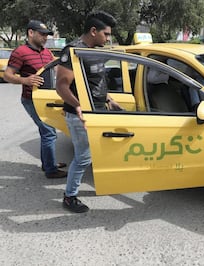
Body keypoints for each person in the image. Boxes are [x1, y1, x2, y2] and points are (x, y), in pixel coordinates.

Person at [56, 11, 121, 213]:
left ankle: (102, 184)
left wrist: (109, 99)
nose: (108, 38)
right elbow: (61, 86)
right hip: (81, 115)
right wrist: (79, 107)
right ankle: (69, 196)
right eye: (106, 34)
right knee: (83, 157)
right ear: (94, 31)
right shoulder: (74, 51)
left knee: (100, 152)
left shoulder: (94, 51)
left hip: (98, 112)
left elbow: (96, 82)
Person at [4, 20, 67, 179]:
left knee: (46, 131)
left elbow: (55, 69)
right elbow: (7, 75)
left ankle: (48, 163)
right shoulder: (20, 52)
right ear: (30, 33)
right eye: (42, 34)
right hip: (31, 99)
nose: (45, 38)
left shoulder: (47, 52)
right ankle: (51, 170)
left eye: (47, 35)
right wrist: (25, 80)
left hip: (46, 99)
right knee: (49, 132)